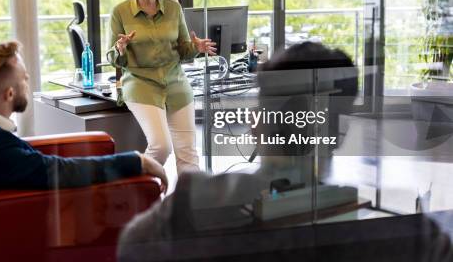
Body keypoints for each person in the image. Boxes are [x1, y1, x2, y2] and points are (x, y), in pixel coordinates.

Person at [117, 42, 362, 261]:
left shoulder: (192, 203)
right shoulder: (359, 222)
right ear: (340, 131)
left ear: (257, 121)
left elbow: (129, 246)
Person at [0, 40, 167, 191]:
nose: (28, 84)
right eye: (24, 79)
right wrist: (138, 161)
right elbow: (61, 172)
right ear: (9, 93)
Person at [106, 0, 216, 174]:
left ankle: (189, 204)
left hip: (175, 81)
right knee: (161, 146)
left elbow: (184, 50)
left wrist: (197, 47)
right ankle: (138, 191)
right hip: (141, 82)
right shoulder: (120, 11)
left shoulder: (174, 9)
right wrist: (120, 48)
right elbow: (111, 58)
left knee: (188, 153)